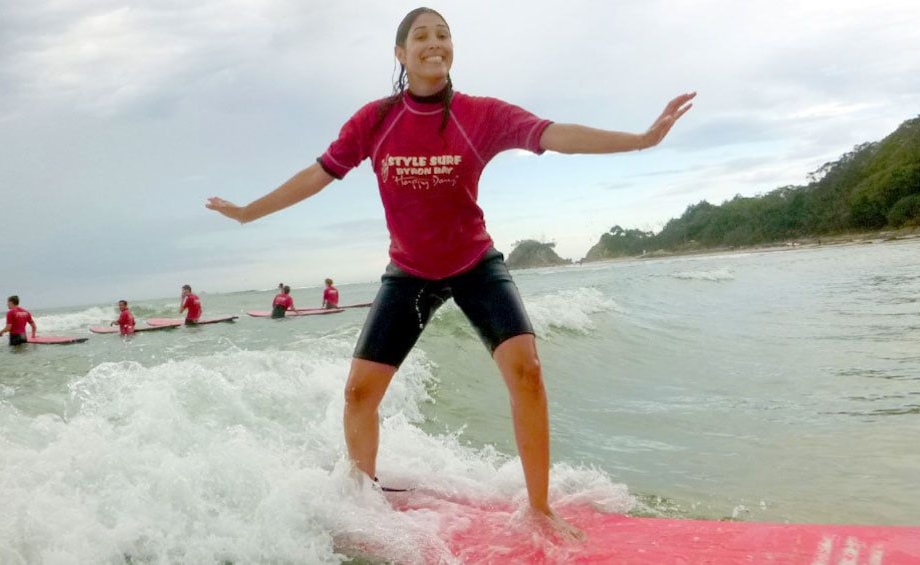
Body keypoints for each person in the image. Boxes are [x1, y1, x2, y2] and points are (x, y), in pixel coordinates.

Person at [206, 7, 693, 539]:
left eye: (443, 35)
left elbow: (555, 135)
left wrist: (642, 140)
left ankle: (538, 509)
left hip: (473, 265)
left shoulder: (479, 114)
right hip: (410, 272)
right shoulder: (374, 119)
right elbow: (318, 175)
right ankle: (362, 501)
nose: (434, 43)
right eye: (421, 36)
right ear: (400, 53)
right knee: (358, 394)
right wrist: (248, 211)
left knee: (526, 371)